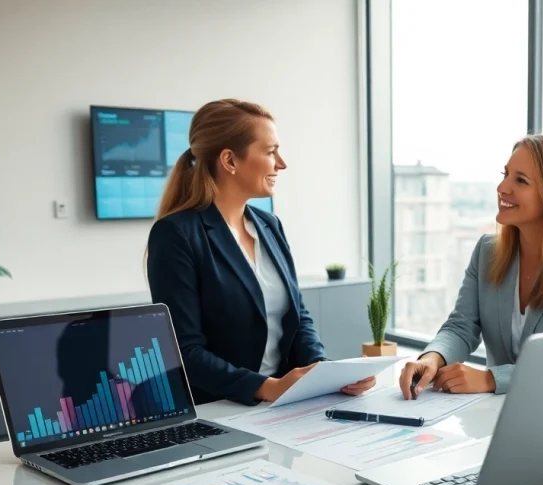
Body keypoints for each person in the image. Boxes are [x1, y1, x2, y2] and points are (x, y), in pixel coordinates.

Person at [146, 99, 375, 406]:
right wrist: (267, 387)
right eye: (270, 152)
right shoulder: (176, 234)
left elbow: (298, 319)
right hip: (218, 408)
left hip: (283, 404)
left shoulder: (269, 225)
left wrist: (324, 371)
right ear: (230, 160)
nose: (281, 163)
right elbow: (184, 350)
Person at [398, 134, 543, 398]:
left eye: (520, 180)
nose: (502, 187)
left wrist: (492, 379)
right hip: (492, 415)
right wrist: (433, 358)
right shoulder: (487, 251)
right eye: (505, 174)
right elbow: (461, 327)